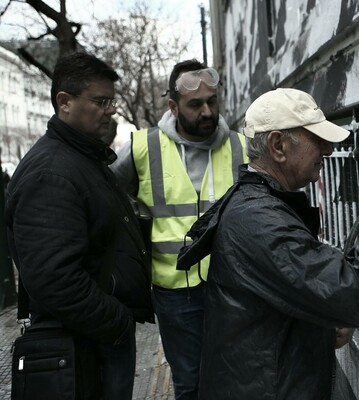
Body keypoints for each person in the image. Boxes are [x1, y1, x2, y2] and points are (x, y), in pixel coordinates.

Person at [176, 87, 359, 399]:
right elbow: (354, 293)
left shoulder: (259, 206)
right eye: (315, 138)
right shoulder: (260, 221)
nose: (325, 149)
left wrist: (320, 328)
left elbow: (281, 300)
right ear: (278, 145)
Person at [5, 52, 153, 399]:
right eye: (101, 101)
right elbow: (54, 278)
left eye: (111, 101)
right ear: (64, 102)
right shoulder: (52, 173)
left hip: (93, 341)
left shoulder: (81, 158)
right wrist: (116, 323)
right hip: (83, 346)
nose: (111, 109)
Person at [111, 59, 247, 400]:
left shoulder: (240, 147)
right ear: (173, 106)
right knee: (190, 383)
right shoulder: (143, 147)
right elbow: (108, 197)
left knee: (236, 377)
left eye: (212, 101)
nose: (207, 111)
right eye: (195, 104)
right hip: (175, 293)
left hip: (232, 286)